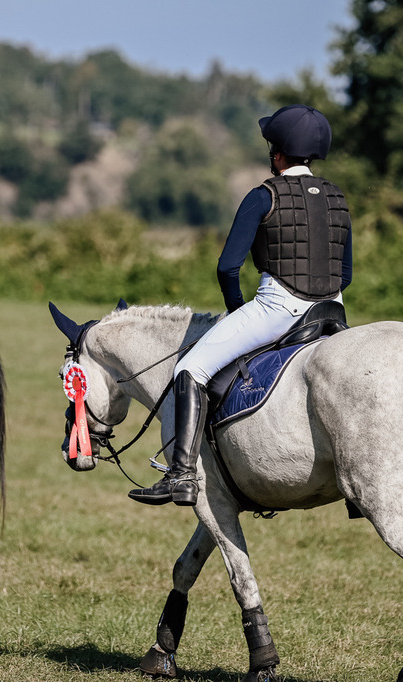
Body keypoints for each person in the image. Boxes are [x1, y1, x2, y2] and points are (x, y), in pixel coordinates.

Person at [128, 104, 353, 506]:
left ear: (278, 153)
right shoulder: (337, 197)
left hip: (280, 306)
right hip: (333, 311)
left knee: (190, 367)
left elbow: (228, 267)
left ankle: (180, 476)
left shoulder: (263, 195)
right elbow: (346, 273)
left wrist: (237, 312)